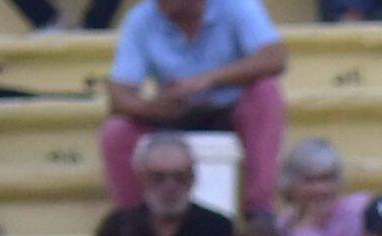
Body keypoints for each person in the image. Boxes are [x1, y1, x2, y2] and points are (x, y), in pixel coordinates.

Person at [101, 0, 285, 221]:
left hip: (230, 108)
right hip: (173, 112)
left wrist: (208, 80)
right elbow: (119, 96)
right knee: (117, 132)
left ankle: (259, 210)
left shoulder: (236, 5)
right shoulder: (141, 18)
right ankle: (132, 222)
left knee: (265, 94)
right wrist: (153, 107)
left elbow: (275, 58)